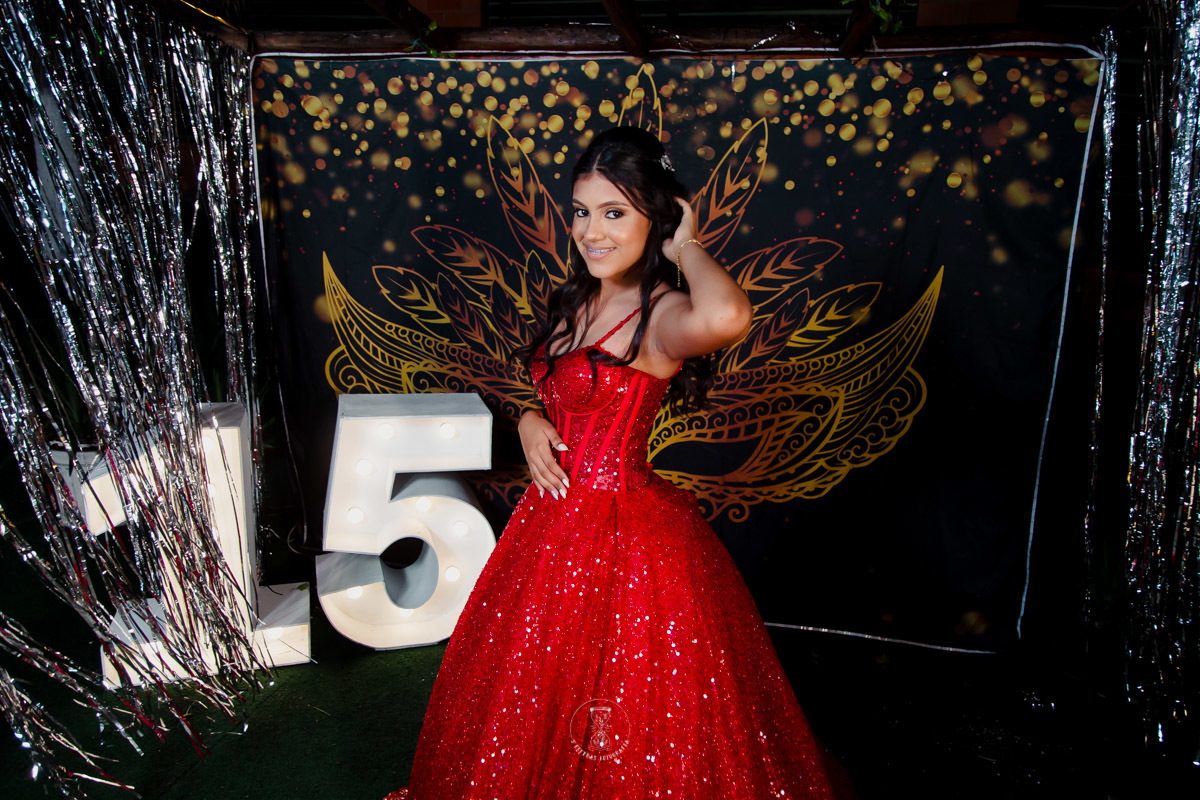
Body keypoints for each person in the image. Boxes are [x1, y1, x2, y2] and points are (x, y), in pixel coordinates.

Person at [386, 126, 842, 799]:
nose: (591, 231)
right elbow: (554, 389)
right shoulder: (574, 302)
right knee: (535, 691)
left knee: (629, 692)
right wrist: (530, 416)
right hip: (548, 530)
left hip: (628, 535)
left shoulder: (661, 316)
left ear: (653, 218)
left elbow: (729, 315)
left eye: (614, 213)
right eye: (580, 211)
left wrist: (685, 244)